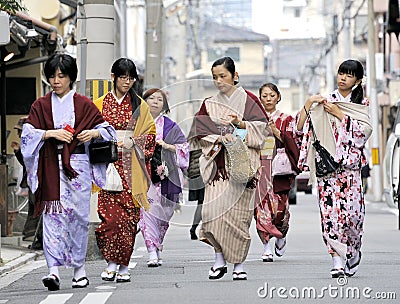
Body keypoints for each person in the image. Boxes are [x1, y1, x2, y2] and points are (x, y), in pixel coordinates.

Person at [21, 53, 116, 291]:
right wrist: (49, 133)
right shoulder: (40, 105)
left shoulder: (84, 104)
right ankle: (52, 270)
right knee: (52, 216)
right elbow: (27, 134)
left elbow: (108, 131)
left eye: (61, 76)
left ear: (71, 77)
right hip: (51, 164)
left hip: (78, 166)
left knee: (79, 219)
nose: (56, 81)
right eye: (52, 76)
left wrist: (92, 134)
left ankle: (78, 270)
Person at [194, 57, 269, 281]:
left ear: (235, 76)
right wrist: (218, 139)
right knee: (210, 214)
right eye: (215, 77)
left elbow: (262, 130)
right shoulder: (208, 103)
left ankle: (238, 264)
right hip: (217, 167)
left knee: (238, 219)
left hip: (241, 167)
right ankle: (218, 257)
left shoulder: (250, 100)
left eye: (223, 76)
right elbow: (199, 131)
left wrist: (240, 125)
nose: (219, 81)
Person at [296, 59, 372, 278]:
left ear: (357, 80)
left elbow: (363, 133)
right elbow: (301, 128)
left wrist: (339, 114)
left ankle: (353, 250)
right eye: (341, 73)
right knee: (330, 216)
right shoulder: (324, 100)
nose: (343, 78)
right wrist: (310, 103)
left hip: (350, 170)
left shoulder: (362, 103)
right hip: (327, 169)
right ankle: (336, 260)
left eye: (348, 75)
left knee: (352, 217)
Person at [94, 58, 156, 283]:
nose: (127, 82)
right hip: (108, 164)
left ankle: (123, 265)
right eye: (123, 77)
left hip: (132, 166)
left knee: (129, 218)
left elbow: (151, 134)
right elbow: (91, 131)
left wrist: (134, 141)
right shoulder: (99, 103)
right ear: (113, 77)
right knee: (109, 219)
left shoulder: (140, 105)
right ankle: (111, 262)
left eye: (130, 78)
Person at [138, 88, 189, 267]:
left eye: (159, 99)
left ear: (164, 105)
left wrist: (167, 146)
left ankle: (157, 244)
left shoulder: (170, 126)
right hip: (144, 177)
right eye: (151, 98)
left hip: (167, 176)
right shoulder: (136, 124)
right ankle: (151, 250)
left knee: (164, 216)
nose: (155, 102)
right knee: (147, 213)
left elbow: (184, 148)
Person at [255, 83, 300, 263]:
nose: (268, 99)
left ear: (278, 97)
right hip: (259, 167)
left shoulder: (286, 119)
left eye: (272, 95)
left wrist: (275, 132)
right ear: (259, 98)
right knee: (261, 210)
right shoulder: (253, 119)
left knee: (280, 209)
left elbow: (292, 142)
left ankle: (281, 234)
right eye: (264, 95)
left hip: (279, 169)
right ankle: (266, 247)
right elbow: (242, 138)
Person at [11, 116, 43, 249]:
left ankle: (39, 239)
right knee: (34, 209)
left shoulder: (32, 144)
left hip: (37, 182)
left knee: (38, 210)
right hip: (32, 182)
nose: (18, 134)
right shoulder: (27, 143)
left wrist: (19, 152)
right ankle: (33, 236)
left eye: (20, 131)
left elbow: (29, 163)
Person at [187, 136, 205, 240]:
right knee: (204, 202)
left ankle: (194, 228)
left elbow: (186, 159)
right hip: (204, 173)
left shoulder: (191, 140)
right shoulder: (207, 138)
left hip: (194, 175)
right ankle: (199, 228)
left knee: (201, 202)